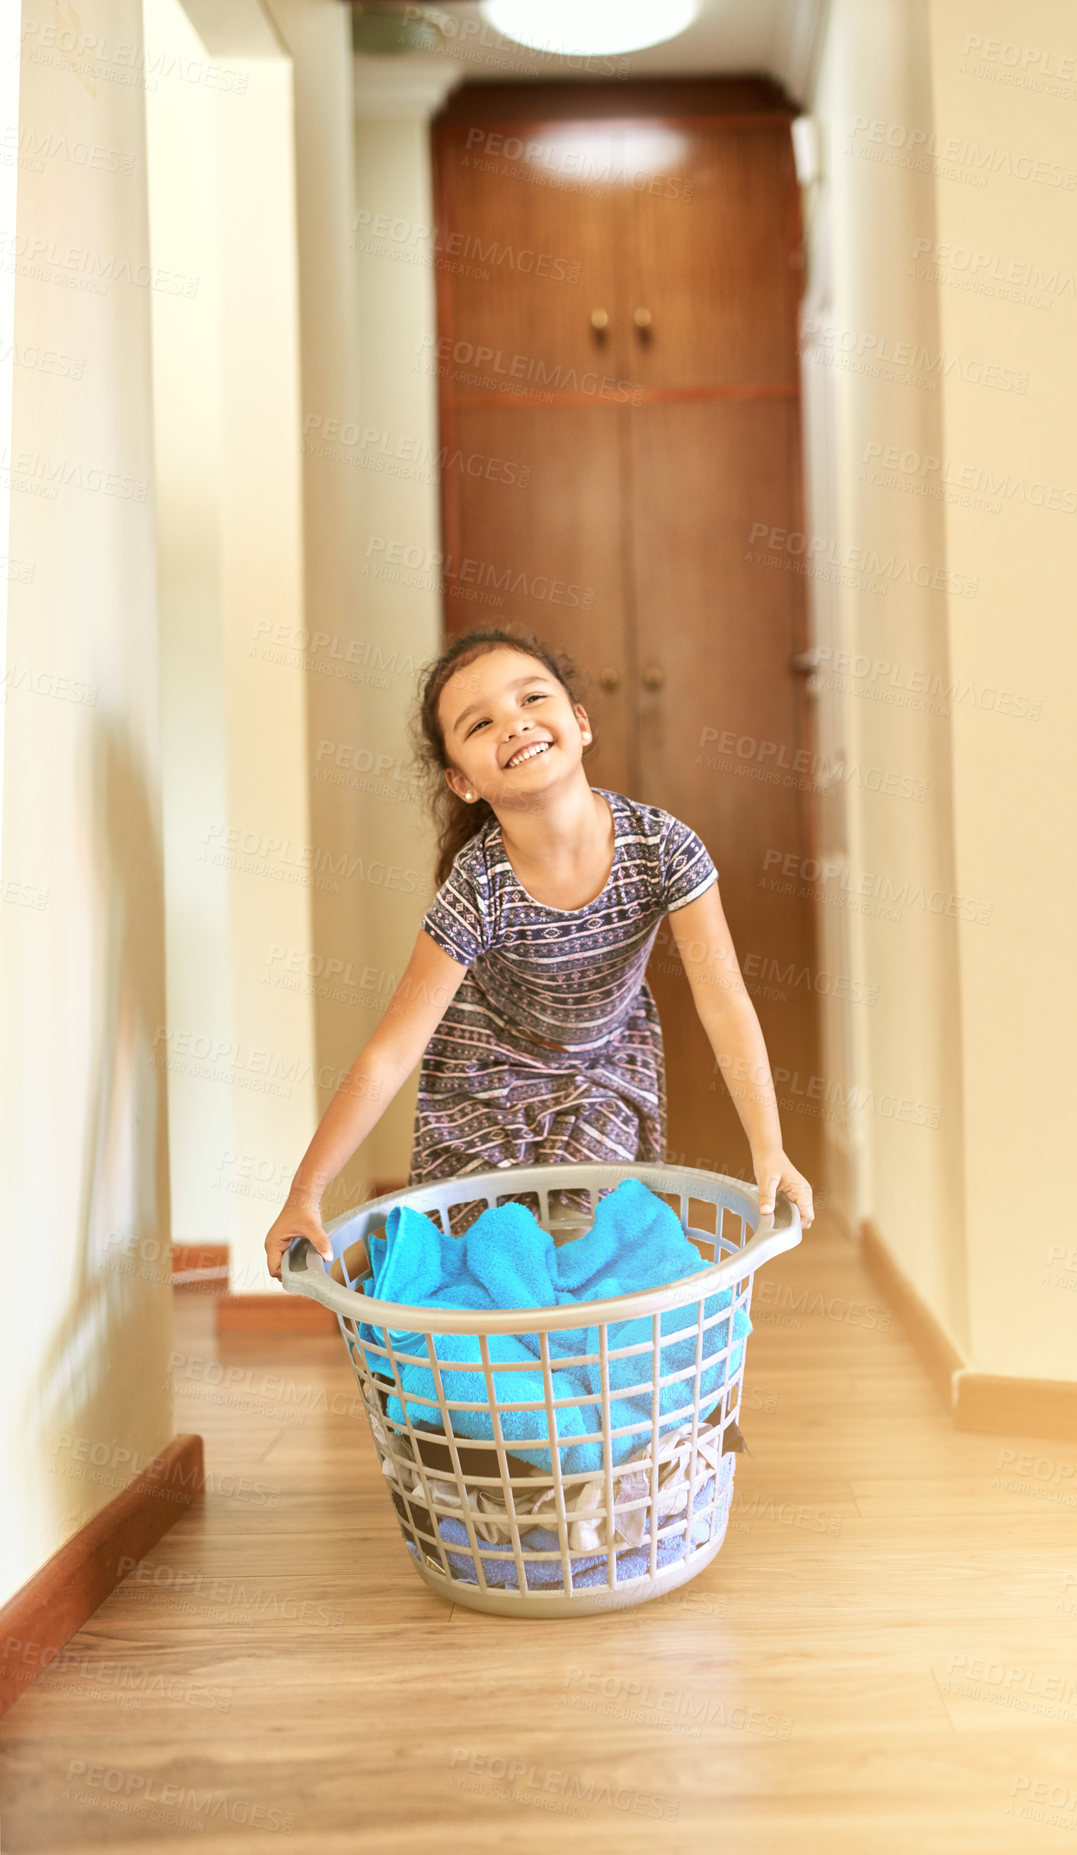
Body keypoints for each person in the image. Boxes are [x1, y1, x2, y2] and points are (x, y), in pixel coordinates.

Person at [265, 625, 813, 1278]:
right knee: (496, 1257)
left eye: (531, 698)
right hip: (481, 1090)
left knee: (592, 1253)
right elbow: (392, 1051)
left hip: (602, 1074)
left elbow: (722, 1001)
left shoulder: (664, 847)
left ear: (579, 722)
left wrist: (769, 1149)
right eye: (480, 724)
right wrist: (304, 1194)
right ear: (462, 782)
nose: (515, 724)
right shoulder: (478, 886)